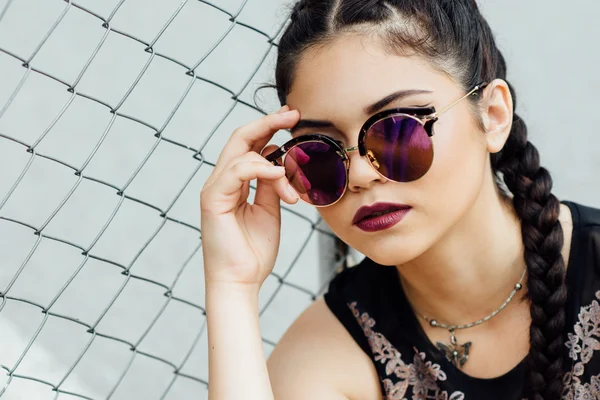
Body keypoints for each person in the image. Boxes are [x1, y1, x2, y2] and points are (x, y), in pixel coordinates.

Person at [199, 1, 600, 399]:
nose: (359, 175)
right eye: (320, 152)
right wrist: (231, 285)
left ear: (492, 116)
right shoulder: (331, 350)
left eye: (396, 131)